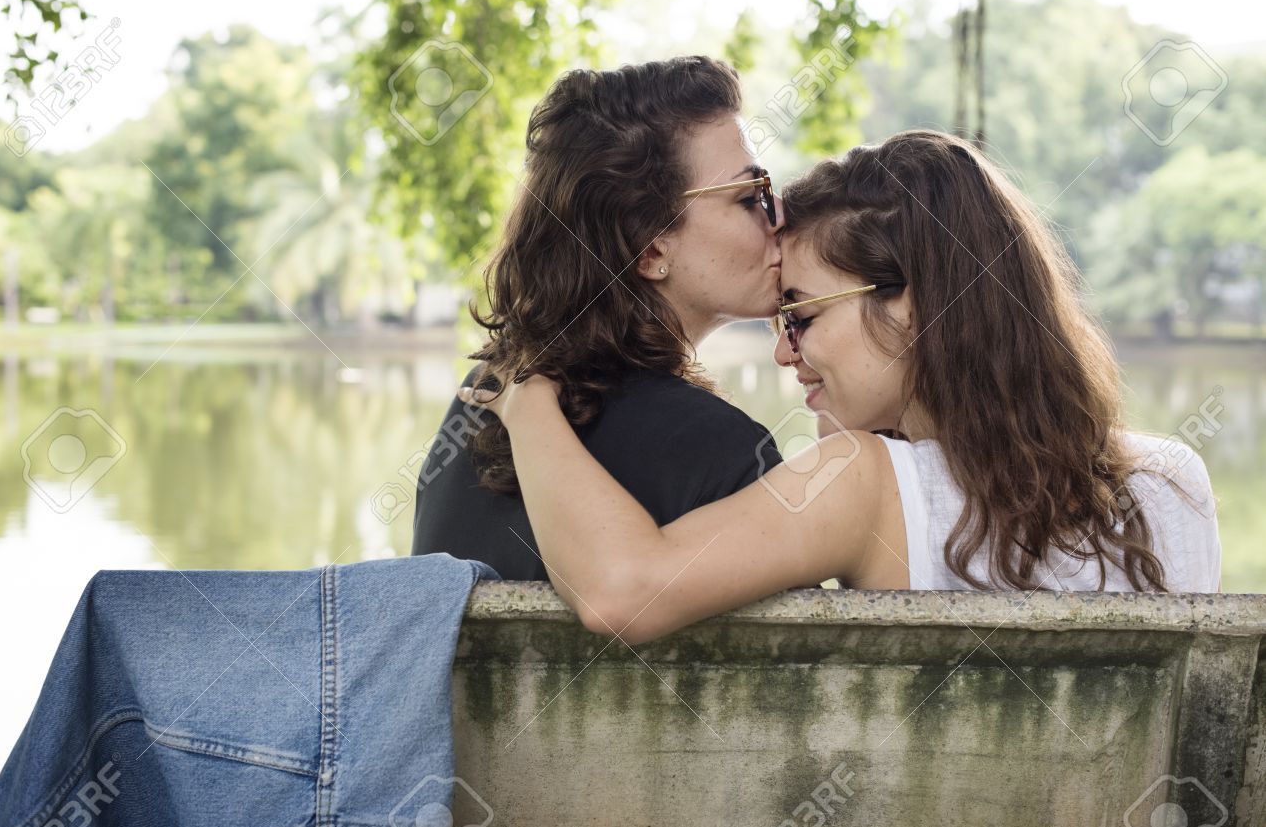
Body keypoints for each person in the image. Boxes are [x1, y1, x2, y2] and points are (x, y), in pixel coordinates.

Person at [457, 129, 1222, 643]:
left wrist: (526, 397)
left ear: (911, 304)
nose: (783, 352)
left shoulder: (864, 483)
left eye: (801, 315)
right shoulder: (1174, 480)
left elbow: (621, 590)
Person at [412, 56, 787, 580]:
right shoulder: (724, 451)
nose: (779, 216)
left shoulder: (483, 400)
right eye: (750, 197)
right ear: (650, 247)